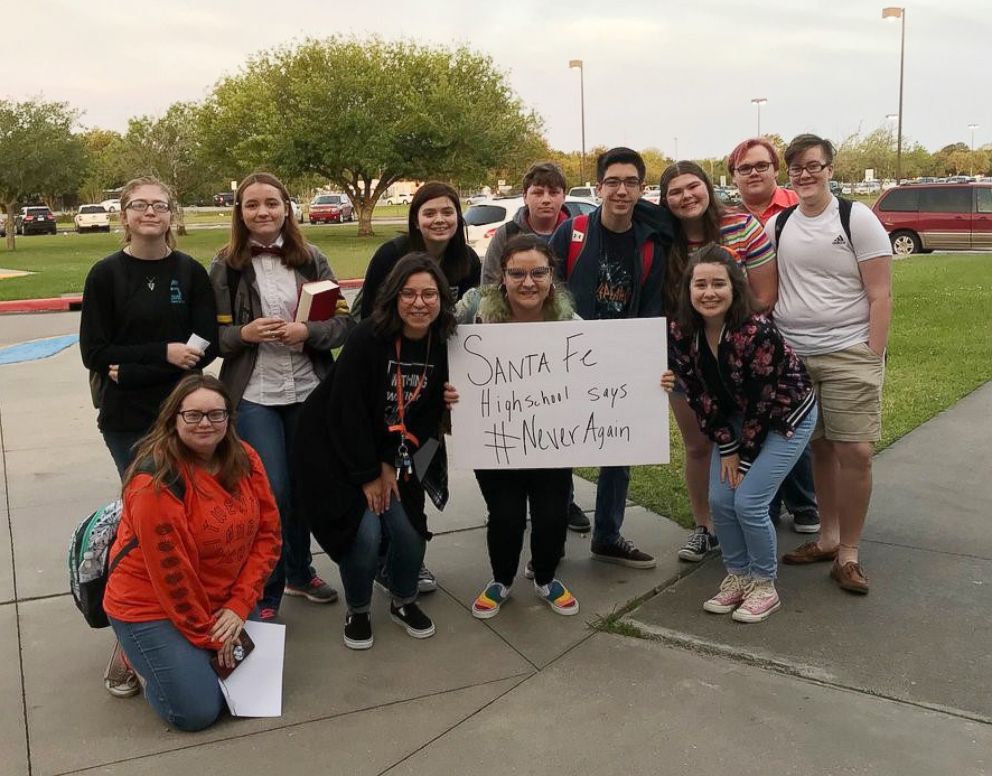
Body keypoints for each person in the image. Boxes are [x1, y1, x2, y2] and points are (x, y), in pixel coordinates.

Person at [79, 175, 218, 698]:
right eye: (140, 205)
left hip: (189, 419)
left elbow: (204, 345)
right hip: (130, 423)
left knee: (190, 519)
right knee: (143, 525)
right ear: (125, 214)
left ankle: (190, 615)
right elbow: (96, 352)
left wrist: (130, 364)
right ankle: (129, 633)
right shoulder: (106, 275)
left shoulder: (189, 271)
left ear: (172, 214)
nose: (150, 213)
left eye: (160, 205)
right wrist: (161, 356)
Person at [210, 172, 354, 620]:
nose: (263, 212)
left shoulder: (312, 259)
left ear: (286, 208)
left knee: (304, 488)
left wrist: (307, 331)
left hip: (309, 388)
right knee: (270, 490)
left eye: (271, 203)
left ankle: (298, 572)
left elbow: (344, 322)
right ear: (240, 212)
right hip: (255, 393)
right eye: (251, 205)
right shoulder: (225, 265)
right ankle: (265, 590)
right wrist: (245, 333)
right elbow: (214, 336)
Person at [103, 374, 282, 731]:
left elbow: (269, 536)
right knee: (199, 711)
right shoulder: (154, 483)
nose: (206, 424)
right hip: (152, 603)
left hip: (220, 600)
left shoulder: (244, 457)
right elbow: (174, 579)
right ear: (174, 418)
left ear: (229, 420)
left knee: (244, 698)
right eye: (194, 415)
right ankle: (132, 653)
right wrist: (214, 639)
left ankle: (179, 655)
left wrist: (238, 605)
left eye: (217, 415)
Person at [302, 254, 457, 650]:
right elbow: (346, 411)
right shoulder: (368, 337)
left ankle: (403, 600)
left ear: (442, 298)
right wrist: (369, 473)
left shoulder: (443, 344)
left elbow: (427, 412)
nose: (419, 303)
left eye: (429, 294)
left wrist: (391, 462)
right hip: (339, 449)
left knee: (408, 532)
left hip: (396, 452)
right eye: (408, 294)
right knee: (365, 534)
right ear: (393, 297)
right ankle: (358, 609)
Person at [663, 245, 817, 622]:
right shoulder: (682, 330)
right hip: (735, 418)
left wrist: (741, 456)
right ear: (688, 290)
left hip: (784, 415)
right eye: (700, 284)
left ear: (735, 288)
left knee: (748, 501)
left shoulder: (756, 331)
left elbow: (763, 405)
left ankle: (764, 583)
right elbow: (697, 393)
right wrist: (727, 446)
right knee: (720, 500)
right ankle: (738, 575)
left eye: (719, 283)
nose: (709, 293)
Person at [769, 134, 892, 595]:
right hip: (795, 356)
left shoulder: (855, 218)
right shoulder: (779, 225)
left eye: (813, 166)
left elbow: (880, 293)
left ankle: (849, 553)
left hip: (848, 352)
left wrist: (871, 351)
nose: (805, 174)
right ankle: (827, 537)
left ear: (830, 170)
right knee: (818, 449)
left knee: (854, 451)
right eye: (797, 168)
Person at [548, 147, 672, 569]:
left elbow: (654, 310)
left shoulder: (652, 244)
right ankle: (551, 536)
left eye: (631, 182)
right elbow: (549, 293)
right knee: (558, 448)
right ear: (598, 187)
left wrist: (649, 362)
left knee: (618, 449)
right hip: (570, 358)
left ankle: (607, 534)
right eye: (613, 182)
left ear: (641, 188)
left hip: (624, 359)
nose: (622, 190)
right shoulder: (573, 234)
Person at [359, 181, 481, 593]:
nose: (439, 220)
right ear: (416, 218)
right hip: (391, 380)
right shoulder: (391, 256)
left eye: (447, 212)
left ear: (458, 217)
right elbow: (370, 320)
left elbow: (475, 330)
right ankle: (382, 556)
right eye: (429, 212)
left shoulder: (469, 262)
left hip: (439, 386)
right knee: (384, 468)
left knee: (418, 469)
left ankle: (409, 557)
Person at [659, 161, 778, 563]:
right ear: (665, 200)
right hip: (683, 363)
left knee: (746, 441)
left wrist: (721, 333)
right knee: (698, 446)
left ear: (707, 187)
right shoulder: (662, 238)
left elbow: (764, 296)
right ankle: (704, 526)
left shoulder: (742, 226)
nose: (685, 196)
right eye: (675, 191)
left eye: (692, 186)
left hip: (738, 362)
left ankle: (745, 518)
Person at [457, 234, 580, 619]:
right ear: (502, 277)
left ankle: (545, 577)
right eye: (518, 273)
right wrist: (452, 389)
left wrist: (651, 379)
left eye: (538, 273)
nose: (529, 282)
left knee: (552, 514)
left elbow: (601, 369)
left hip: (552, 439)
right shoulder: (477, 315)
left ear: (552, 276)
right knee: (506, 514)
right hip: (495, 437)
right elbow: (439, 346)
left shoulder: (569, 320)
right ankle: (501, 581)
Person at [480, 161, 590, 534]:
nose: (545, 198)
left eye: (553, 191)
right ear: (525, 195)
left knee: (557, 423)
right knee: (513, 419)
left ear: (563, 195)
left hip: (558, 336)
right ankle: (506, 502)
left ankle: (563, 500)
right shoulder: (507, 233)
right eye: (537, 191)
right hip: (508, 343)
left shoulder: (576, 230)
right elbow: (489, 286)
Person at [728, 137, 820, 536]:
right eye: (744, 168)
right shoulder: (727, 220)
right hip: (746, 340)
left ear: (774, 170)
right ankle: (766, 500)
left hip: (793, 329)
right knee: (757, 419)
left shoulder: (798, 209)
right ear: (733, 175)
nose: (753, 173)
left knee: (791, 418)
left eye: (761, 166)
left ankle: (803, 501)